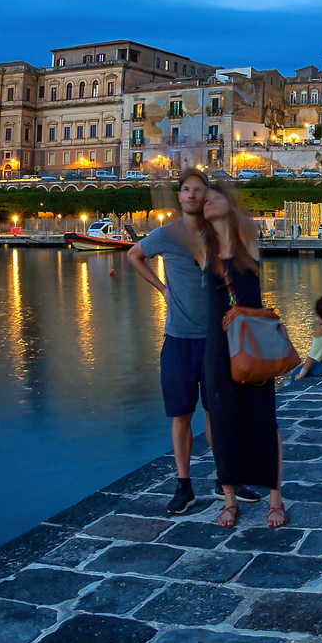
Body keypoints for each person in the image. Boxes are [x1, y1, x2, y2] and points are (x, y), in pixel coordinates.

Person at [190, 176, 288, 528]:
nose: (208, 203)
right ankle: (229, 498)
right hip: (217, 345)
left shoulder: (248, 237)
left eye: (215, 198)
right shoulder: (203, 246)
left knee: (264, 419)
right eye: (205, 201)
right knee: (222, 420)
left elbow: (241, 219)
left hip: (253, 340)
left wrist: (227, 203)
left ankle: (275, 498)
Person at [127, 176, 215, 516]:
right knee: (181, 416)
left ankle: (227, 482)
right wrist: (162, 289)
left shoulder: (218, 233)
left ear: (206, 195)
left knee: (215, 415)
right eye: (186, 189)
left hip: (214, 341)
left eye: (198, 189)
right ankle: (184, 485)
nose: (192, 194)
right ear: (180, 196)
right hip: (178, 339)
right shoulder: (166, 234)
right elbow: (134, 256)